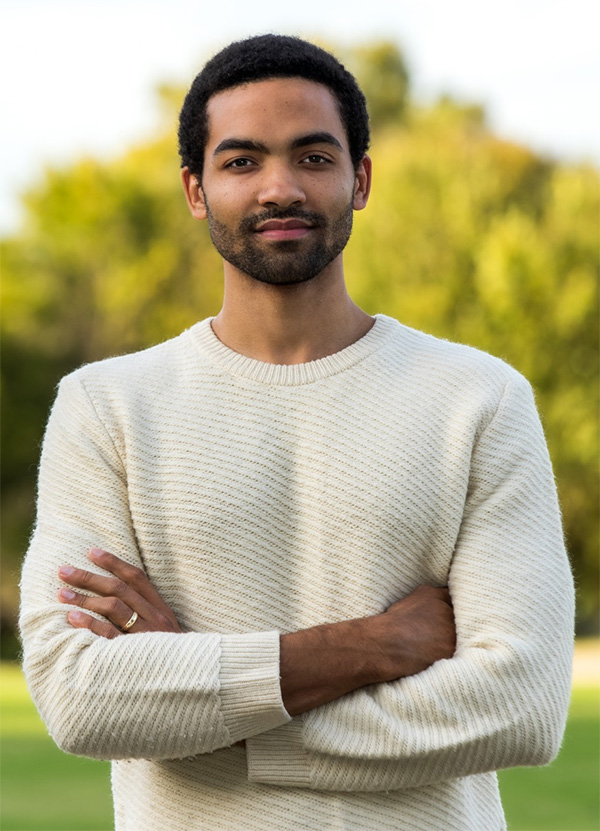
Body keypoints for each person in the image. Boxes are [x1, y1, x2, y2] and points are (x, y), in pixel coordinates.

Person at [20, 34, 574, 831]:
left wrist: (207, 701)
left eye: (313, 157)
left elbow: (521, 705)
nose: (279, 187)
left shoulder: (478, 399)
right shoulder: (105, 407)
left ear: (361, 179)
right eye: (241, 161)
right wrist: (372, 646)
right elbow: (78, 696)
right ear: (195, 189)